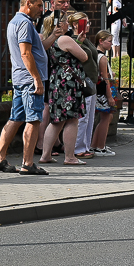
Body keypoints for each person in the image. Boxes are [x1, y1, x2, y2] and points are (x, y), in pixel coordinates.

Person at [0, 0, 57, 175]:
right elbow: (26, 53)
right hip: (29, 80)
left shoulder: (15, 22)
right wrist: (37, 79)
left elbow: (36, 49)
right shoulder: (25, 24)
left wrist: (55, 35)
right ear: (28, 3)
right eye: (39, 5)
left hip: (20, 78)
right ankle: (27, 163)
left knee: (15, 118)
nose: (41, 10)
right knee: (33, 119)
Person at [38, 12, 90, 166]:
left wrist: (78, 42)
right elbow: (84, 57)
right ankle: (70, 157)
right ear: (59, 24)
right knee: (72, 119)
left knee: (56, 121)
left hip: (57, 81)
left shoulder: (52, 40)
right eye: (65, 21)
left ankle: (45, 155)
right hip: (68, 83)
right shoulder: (65, 39)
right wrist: (80, 43)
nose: (68, 23)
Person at [71, 13, 101, 159]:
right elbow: (76, 56)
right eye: (85, 23)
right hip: (83, 82)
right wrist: (79, 41)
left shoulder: (86, 40)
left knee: (89, 116)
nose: (88, 26)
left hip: (91, 81)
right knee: (82, 116)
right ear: (75, 24)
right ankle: (77, 148)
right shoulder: (73, 40)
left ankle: (86, 145)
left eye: (88, 23)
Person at [90, 30, 117, 156]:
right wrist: (110, 96)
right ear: (101, 41)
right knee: (106, 118)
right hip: (103, 91)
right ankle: (100, 146)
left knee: (104, 118)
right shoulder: (103, 57)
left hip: (99, 91)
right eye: (109, 41)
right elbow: (105, 78)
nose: (111, 44)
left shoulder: (96, 54)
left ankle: (95, 145)